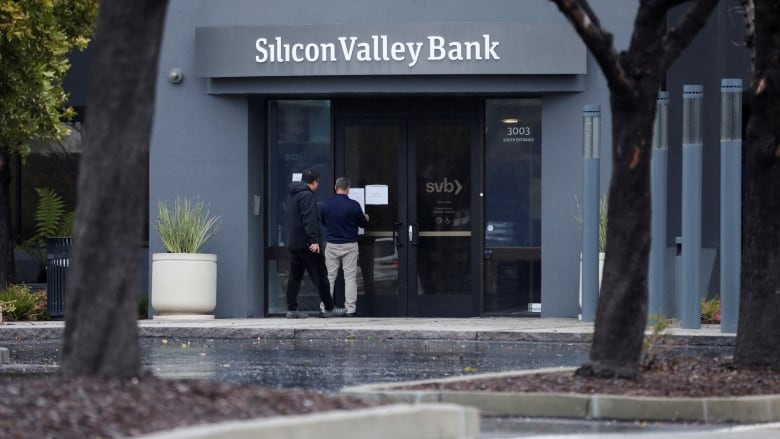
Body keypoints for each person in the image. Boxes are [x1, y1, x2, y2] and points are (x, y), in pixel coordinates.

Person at [284, 169, 345, 318]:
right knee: (320, 276)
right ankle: (330, 308)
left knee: (294, 277)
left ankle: (292, 309)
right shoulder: (307, 196)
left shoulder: (292, 195)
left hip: (294, 243)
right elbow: (309, 219)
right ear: (315, 182)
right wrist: (314, 240)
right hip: (308, 244)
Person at [321, 177, 368, 317]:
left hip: (332, 244)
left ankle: (325, 308)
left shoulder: (326, 204)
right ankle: (350, 310)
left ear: (336, 187)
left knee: (329, 277)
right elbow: (362, 224)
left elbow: (323, 222)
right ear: (348, 188)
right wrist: (366, 218)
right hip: (349, 244)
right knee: (350, 278)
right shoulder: (353, 205)